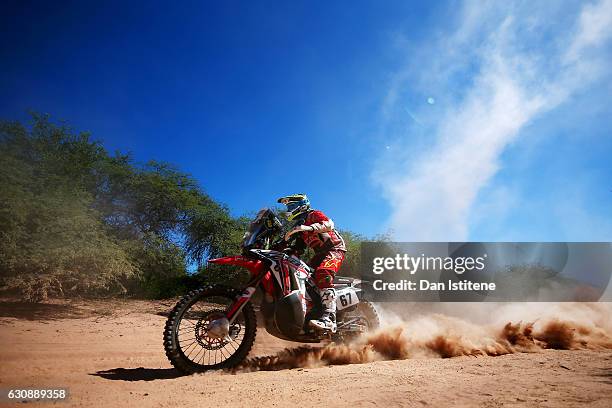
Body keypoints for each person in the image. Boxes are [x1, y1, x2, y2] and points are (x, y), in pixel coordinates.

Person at [277, 193, 346, 332]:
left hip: (335, 249)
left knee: (322, 273)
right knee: (303, 276)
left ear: (302, 205)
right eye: (288, 206)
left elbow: (329, 224)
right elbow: (297, 248)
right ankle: (313, 311)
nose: (289, 209)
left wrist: (309, 228)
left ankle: (329, 317)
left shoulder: (313, 215)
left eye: (291, 205)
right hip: (320, 255)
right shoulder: (299, 226)